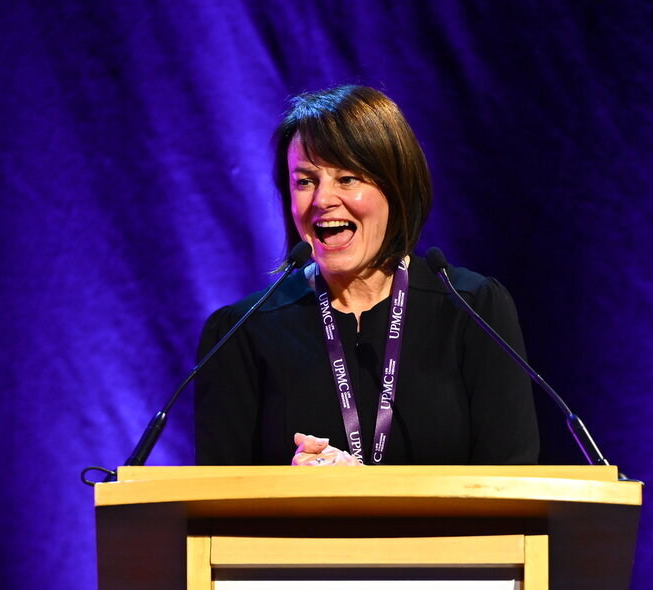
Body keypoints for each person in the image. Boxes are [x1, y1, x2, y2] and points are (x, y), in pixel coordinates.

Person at [194, 85, 539, 467]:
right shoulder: (241, 333)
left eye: (347, 178)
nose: (322, 200)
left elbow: (511, 481)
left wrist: (367, 492)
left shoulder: (472, 311)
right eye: (305, 181)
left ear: (396, 186)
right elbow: (218, 495)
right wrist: (287, 490)